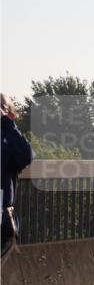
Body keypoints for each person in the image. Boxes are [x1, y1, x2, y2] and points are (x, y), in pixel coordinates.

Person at [1, 94, 33, 265]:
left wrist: (6, 124)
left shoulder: (9, 142)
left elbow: (27, 156)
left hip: (2, 221)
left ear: (10, 115)